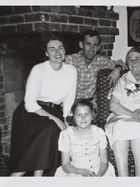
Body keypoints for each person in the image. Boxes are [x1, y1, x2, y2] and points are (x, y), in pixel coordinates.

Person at [9, 33, 77, 176]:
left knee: (52, 130)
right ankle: (24, 176)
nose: (57, 52)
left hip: (55, 111)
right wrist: (57, 120)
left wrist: (66, 121)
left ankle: (34, 177)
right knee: (50, 128)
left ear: (65, 50)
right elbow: (30, 103)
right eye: (52, 49)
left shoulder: (71, 71)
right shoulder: (38, 69)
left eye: (60, 48)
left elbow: (69, 100)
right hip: (31, 112)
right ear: (46, 53)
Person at [105, 47, 140, 176]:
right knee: (121, 126)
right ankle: (124, 179)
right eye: (130, 59)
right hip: (121, 117)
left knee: (139, 128)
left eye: (137, 59)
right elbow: (113, 106)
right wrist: (133, 114)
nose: (133, 62)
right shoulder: (123, 80)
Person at [65, 29, 126, 111]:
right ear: (81, 44)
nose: (91, 49)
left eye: (95, 45)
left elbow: (121, 63)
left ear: (99, 47)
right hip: (72, 103)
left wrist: (117, 69)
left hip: (90, 105)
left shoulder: (100, 60)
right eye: (88, 44)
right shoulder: (70, 60)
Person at [54, 99, 115, 177]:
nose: (83, 118)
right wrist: (82, 172)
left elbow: (104, 161)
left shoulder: (99, 132)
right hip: (76, 171)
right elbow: (65, 165)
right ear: (73, 116)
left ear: (92, 115)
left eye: (86, 114)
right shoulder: (66, 135)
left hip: (99, 170)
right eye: (79, 115)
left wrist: (98, 177)